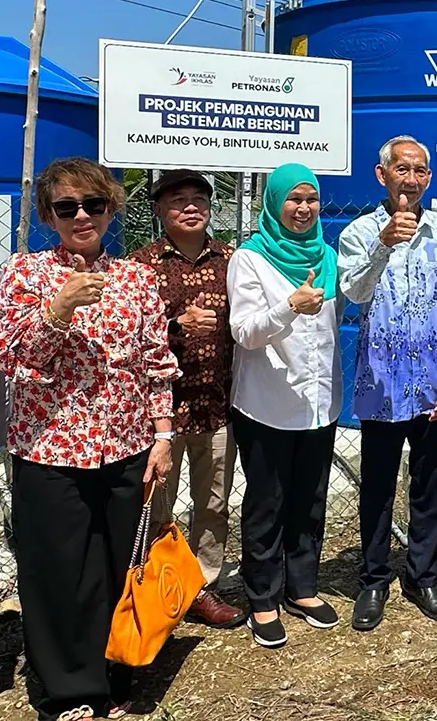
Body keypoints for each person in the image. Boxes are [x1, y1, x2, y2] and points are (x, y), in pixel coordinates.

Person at [0, 157, 178, 721]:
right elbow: (13, 359)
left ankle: (112, 667)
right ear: (49, 214)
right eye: (67, 206)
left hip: (127, 444)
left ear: (110, 209)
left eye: (93, 205)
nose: (81, 216)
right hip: (51, 448)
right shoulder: (24, 273)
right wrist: (56, 311)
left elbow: (154, 362)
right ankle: (68, 691)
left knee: (114, 562)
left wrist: (164, 434)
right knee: (58, 571)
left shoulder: (136, 278)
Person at [338, 136, 437, 631]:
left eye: (419, 171)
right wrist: (382, 245)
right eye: (402, 170)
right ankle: (373, 579)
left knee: (431, 485)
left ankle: (422, 575)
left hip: (435, 385)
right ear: (382, 174)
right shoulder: (357, 232)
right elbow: (352, 291)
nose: (410, 179)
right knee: (377, 486)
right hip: (382, 384)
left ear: (428, 179)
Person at [229, 163, 342, 649]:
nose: (303, 209)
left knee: (309, 500)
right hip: (268, 403)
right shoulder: (250, 258)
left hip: (319, 402)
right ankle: (262, 596)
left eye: (311, 199)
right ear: (274, 203)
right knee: (267, 503)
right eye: (293, 199)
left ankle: (302, 587)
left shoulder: (328, 255)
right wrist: (288, 307)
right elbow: (244, 332)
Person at [128, 169, 244, 629]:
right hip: (159, 414)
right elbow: (127, 336)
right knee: (156, 504)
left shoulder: (232, 261)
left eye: (199, 199)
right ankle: (155, 587)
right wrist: (175, 328)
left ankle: (202, 587)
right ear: (159, 210)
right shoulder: (139, 265)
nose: (190, 207)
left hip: (216, 405)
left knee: (213, 502)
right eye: (178, 201)